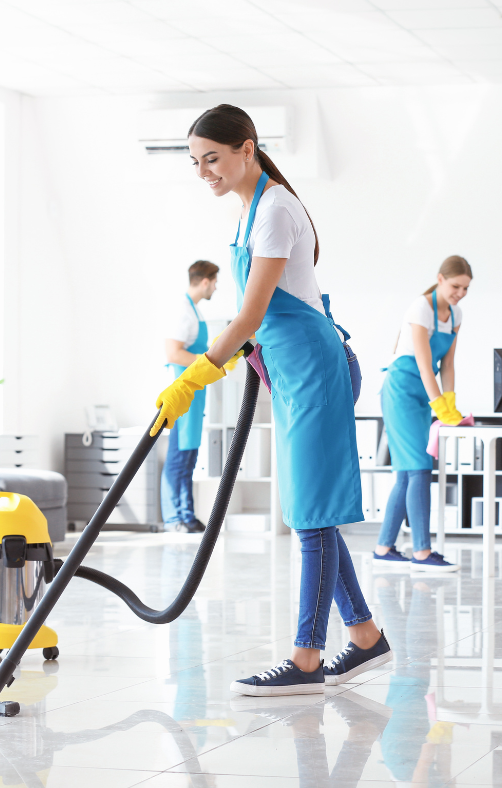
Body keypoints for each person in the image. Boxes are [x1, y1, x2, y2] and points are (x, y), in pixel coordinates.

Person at [150, 104, 391, 696]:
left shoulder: (276, 208)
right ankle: (365, 639)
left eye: (213, 158)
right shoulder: (247, 213)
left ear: (247, 148)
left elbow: (253, 312)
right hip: (289, 370)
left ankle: (306, 661)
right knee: (314, 512)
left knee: (309, 517)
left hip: (314, 368)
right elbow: (255, 317)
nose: (204, 171)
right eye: (196, 162)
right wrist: (238, 358)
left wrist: (194, 377)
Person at [375, 256, 473, 572]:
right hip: (403, 389)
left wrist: (451, 401)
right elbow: (421, 361)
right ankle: (421, 552)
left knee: (407, 471)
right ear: (441, 279)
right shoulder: (421, 307)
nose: (460, 292)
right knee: (418, 467)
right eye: (456, 285)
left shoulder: (455, 314)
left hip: (424, 393)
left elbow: (448, 364)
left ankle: (384, 547)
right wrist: (439, 406)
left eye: (466, 288)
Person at [160, 260, 219, 534]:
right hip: (182, 391)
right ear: (205, 281)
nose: (216, 287)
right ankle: (174, 518)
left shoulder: (194, 311)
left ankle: (187, 514)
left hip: (195, 393)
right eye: (215, 281)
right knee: (178, 454)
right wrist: (205, 363)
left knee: (189, 455)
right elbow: (173, 353)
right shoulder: (182, 311)